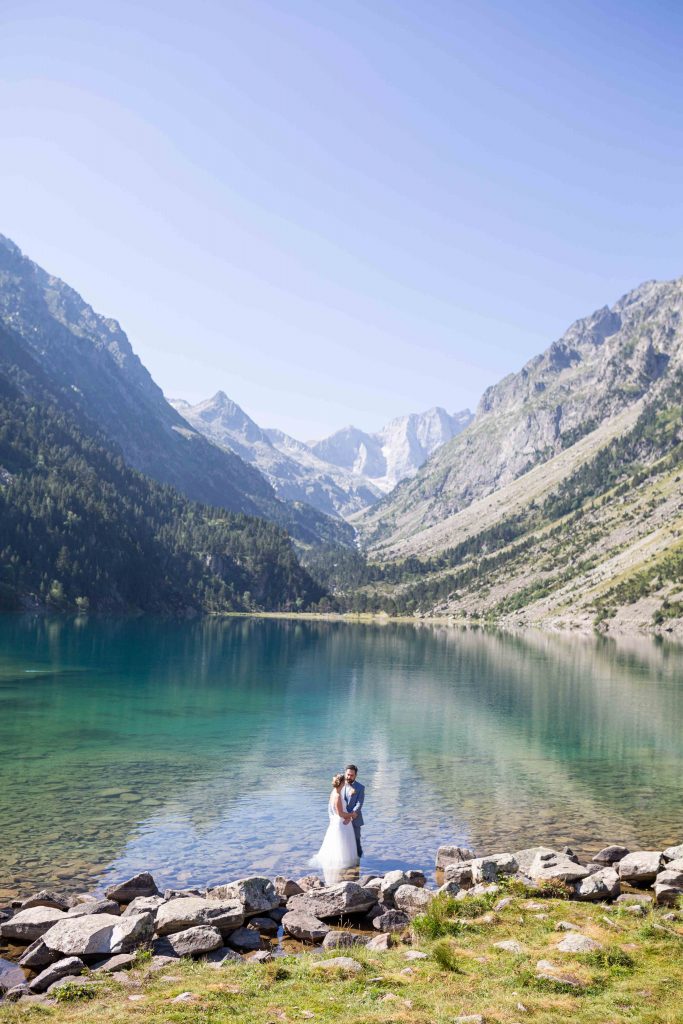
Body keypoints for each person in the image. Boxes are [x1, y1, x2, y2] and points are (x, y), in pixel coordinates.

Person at [309, 772, 359, 884]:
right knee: (342, 847)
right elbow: (340, 813)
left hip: (338, 823)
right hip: (341, 824)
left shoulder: (334, 792)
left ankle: (342, 873)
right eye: (345, 781)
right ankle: (343, 871)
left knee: (340, 845)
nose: (346, 782)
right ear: (341, 782)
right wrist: (352, 815)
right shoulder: (337, 796)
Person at [343, 763, 365, 859]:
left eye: (351, 775)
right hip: (342, 818)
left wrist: (351, 815)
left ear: (355, 775)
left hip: (355, 818)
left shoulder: (360, 787)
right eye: (348, 774)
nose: (349, 777)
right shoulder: (340, 785)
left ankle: (359, 862)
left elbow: (359, 803)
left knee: (356, 840)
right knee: (343, 840)